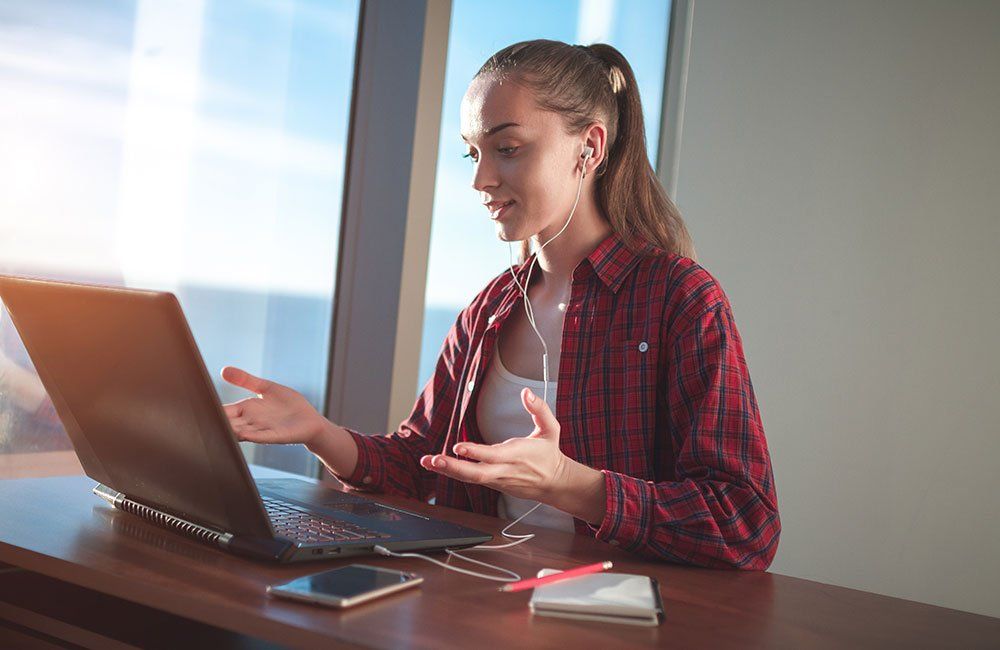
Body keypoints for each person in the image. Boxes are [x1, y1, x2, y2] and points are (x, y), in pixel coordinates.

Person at [221, 40, 780, 569]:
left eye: (507, 149)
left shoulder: (679, 299)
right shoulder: (489, 309)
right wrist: (318, 431)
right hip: (482, 599)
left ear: (590, 147)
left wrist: (570, 483)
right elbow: (418, 469)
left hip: (619, 614)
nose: (481, 179)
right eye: (473, 154)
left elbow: (744, 522)